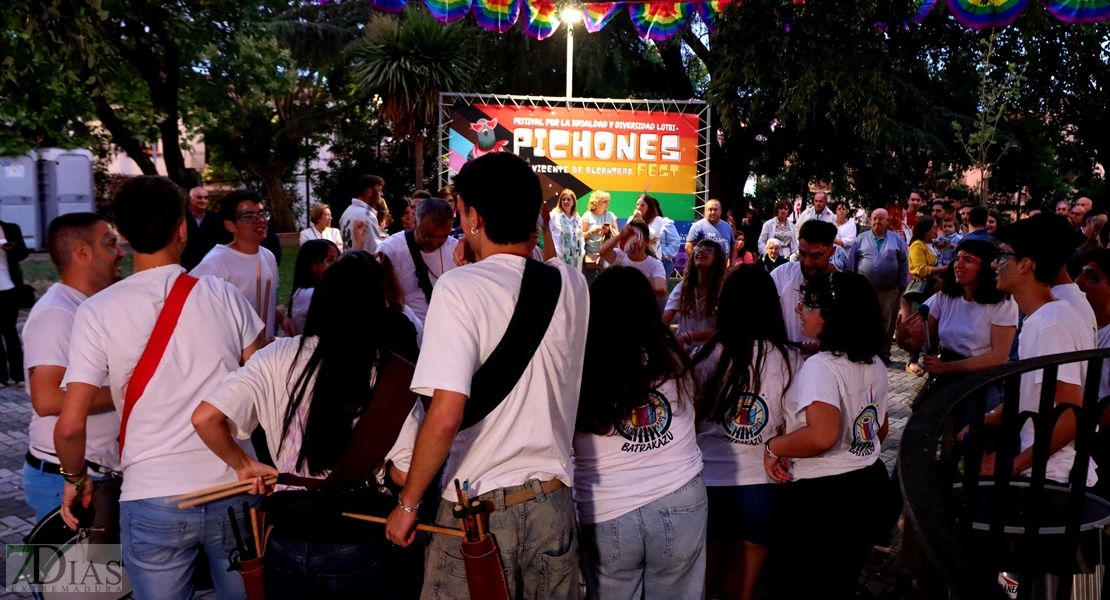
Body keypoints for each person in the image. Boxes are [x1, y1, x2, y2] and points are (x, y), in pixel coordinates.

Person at [384, 152, 588, 600]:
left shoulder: (457, 288)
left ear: (472, 215)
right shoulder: (572, 285)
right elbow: (542, 266)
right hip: (553, 503)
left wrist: (408, 504)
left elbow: (445, 416)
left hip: (476, 511)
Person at [54, 176, 264, 600]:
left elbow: (71, 425)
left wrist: (75, 479)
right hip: (235, 484)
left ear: (124, 237)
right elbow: (264, 379)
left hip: (151, 495)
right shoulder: (223, 295)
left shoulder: (97, 311)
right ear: (182, 229)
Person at [193, 252, 421, 599]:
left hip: (285, 535)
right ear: (377, 308)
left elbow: (205, 417)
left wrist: (244, 466)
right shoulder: (394, 376)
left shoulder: (274, 355)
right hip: (357, 536)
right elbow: (407, 474)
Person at [574, 266, 706, 600]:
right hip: (679, 496)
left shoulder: (579, 366)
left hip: (606, 506)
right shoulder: (674, 359)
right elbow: (693, 423)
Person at [764, 271, 890, 600]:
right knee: (839, 583)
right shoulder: (873, 361)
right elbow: (882, 427)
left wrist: (773, 446)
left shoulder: (822, 366)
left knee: (801, 585)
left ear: (831, 315)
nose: (798, 309)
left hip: (824, 499)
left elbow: (822, 437)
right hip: (868, 484)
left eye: (807, 304)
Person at [695, 266, 801, 600]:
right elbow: (793, 427)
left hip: (706, 485)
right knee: (743, 592)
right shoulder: (790, 359)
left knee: (699, 586)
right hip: (763, 487)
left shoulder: (705, 357)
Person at [976, 214, 1096, 486]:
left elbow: (1071, 416)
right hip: (1047, 470)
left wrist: (1011, 465)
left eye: (1003, 255)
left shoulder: (1050, 324)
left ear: (1025, 265)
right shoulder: (1044, 317)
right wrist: (994, 417)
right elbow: (1040, 391)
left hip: (1053, 476)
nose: (995, 263)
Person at [22, 213, 124, 521]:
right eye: (110, 244)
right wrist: (129, 391)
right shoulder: (57, 314)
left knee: (99, 570)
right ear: (82, 253)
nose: (120, 253)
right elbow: (47, 399)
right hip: (65, 479)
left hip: (92, 475)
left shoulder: (90, 306)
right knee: (69, 572)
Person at [896, 240, 1017, 414]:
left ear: (985, 266)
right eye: (957, 258)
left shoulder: (1002, 302)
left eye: (968, 260)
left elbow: (998, 357)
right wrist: (901, 335)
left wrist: (945, 368)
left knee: (968, 434)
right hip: (946, 378)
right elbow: (913, 343)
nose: (958, 265)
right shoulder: (945, 296)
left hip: (982, 382)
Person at [192, 189, 296, 344]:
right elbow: (196, 316)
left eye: (261, 213)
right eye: (248, 216)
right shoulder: (214, 265)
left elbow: (257, 302)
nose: (260, 221)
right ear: (230, 225)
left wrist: (282, 319)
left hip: (264, 356)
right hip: (235, 360)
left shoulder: (268, 256)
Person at [376, 197, 459, 324]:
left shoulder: (456, 249)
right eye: (428, 235)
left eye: (443, 236)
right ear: (414, 222)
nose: (435, 242)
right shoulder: (390, 250)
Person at [847, 208, 909, 362]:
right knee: (864, 321)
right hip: (864, 290)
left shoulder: (896, 240)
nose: (877, 222)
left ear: (887, 221)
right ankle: (865, 351)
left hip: (890, 290)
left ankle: (884, 354)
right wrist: (853, 284)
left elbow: (903, 263)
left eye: (881, 219)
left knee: (887, 323)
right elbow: (851, 263)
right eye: (874, 218)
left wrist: (900, 285)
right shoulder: (860, 239)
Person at [772, 220, 838, 347]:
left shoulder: (841, 286)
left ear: (832, 251)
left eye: (816, 256)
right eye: (802, 254)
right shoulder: (782, 274)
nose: (807, 263)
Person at [663, 240, 726, 351]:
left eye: (708, 249)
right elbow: (665, 319)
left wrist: (689, 336)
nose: (701, 251)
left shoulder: (723, 291)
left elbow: (724, 330)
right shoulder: (682, 287)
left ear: (717, 258)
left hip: (712, 353)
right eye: (697, 249)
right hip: (683, 353)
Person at [600, 220, 668, 300]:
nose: (632, 242)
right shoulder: (621, 256)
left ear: (647, 242)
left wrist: (659, 288)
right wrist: (620, 236)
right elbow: (603, 252)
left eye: (636, 237)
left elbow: (660, 285)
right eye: (628, 237)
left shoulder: (655, 265)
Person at [1076, 249, 1110, 402]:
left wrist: (1088, 424)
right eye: (1081, 273)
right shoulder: (1073, 322)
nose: (1079, 280)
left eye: (1091, 276)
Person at [0, 217, 28, 388]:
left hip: (10, 286)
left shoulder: (11, 228)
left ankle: (19, 376)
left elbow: (23, 254)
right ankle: (1, 378)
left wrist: (11, 248)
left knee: (10, 331)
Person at [288, 239, 338, 335]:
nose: (337, 265)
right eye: (330, 260)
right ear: (313, 266)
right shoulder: (307, 294)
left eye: (338, 259)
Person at [339, 174, 386, 253]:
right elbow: (374, 250)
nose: (381, 194)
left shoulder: (347, 211)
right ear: (370, 192)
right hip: (361, 263)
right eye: (379, 190)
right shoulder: (367, 215)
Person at [181, 187, 224, 271]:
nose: (203, 200)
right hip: (186, 266)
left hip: (210, 266)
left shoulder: (216, 220)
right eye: (199, 197)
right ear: (190, 199)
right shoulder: (181, 218)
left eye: (206, 198)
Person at [686, 199, 737, 264]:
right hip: (704, 269)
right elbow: (689, 246)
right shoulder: (698, 226)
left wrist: (732, 264)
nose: (713, 212)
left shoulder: (728, 227)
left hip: (722, 268)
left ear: (720, 211)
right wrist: (696, 261)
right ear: (705, 211)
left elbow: (733, 246)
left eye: (715, 209)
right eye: (710, 209)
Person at [551, 189, 585, 269]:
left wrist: (582, 252)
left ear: (573, 203)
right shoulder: (554, 216)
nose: (566, 202)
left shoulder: (578, 219)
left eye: (569, 199)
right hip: (559, 259)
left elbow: (581, 238)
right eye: (564, 199)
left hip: (576, 261)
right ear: (560, 201)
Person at [632, 193, 665, 258]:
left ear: (649, 207)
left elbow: (650, 235)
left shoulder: (656, 219)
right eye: (637, 204)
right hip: (635, 255)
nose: (639, 207)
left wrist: (640, 220)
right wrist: (647, 243)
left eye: (642, 205)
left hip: (652, 256)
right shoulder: (632, 218)